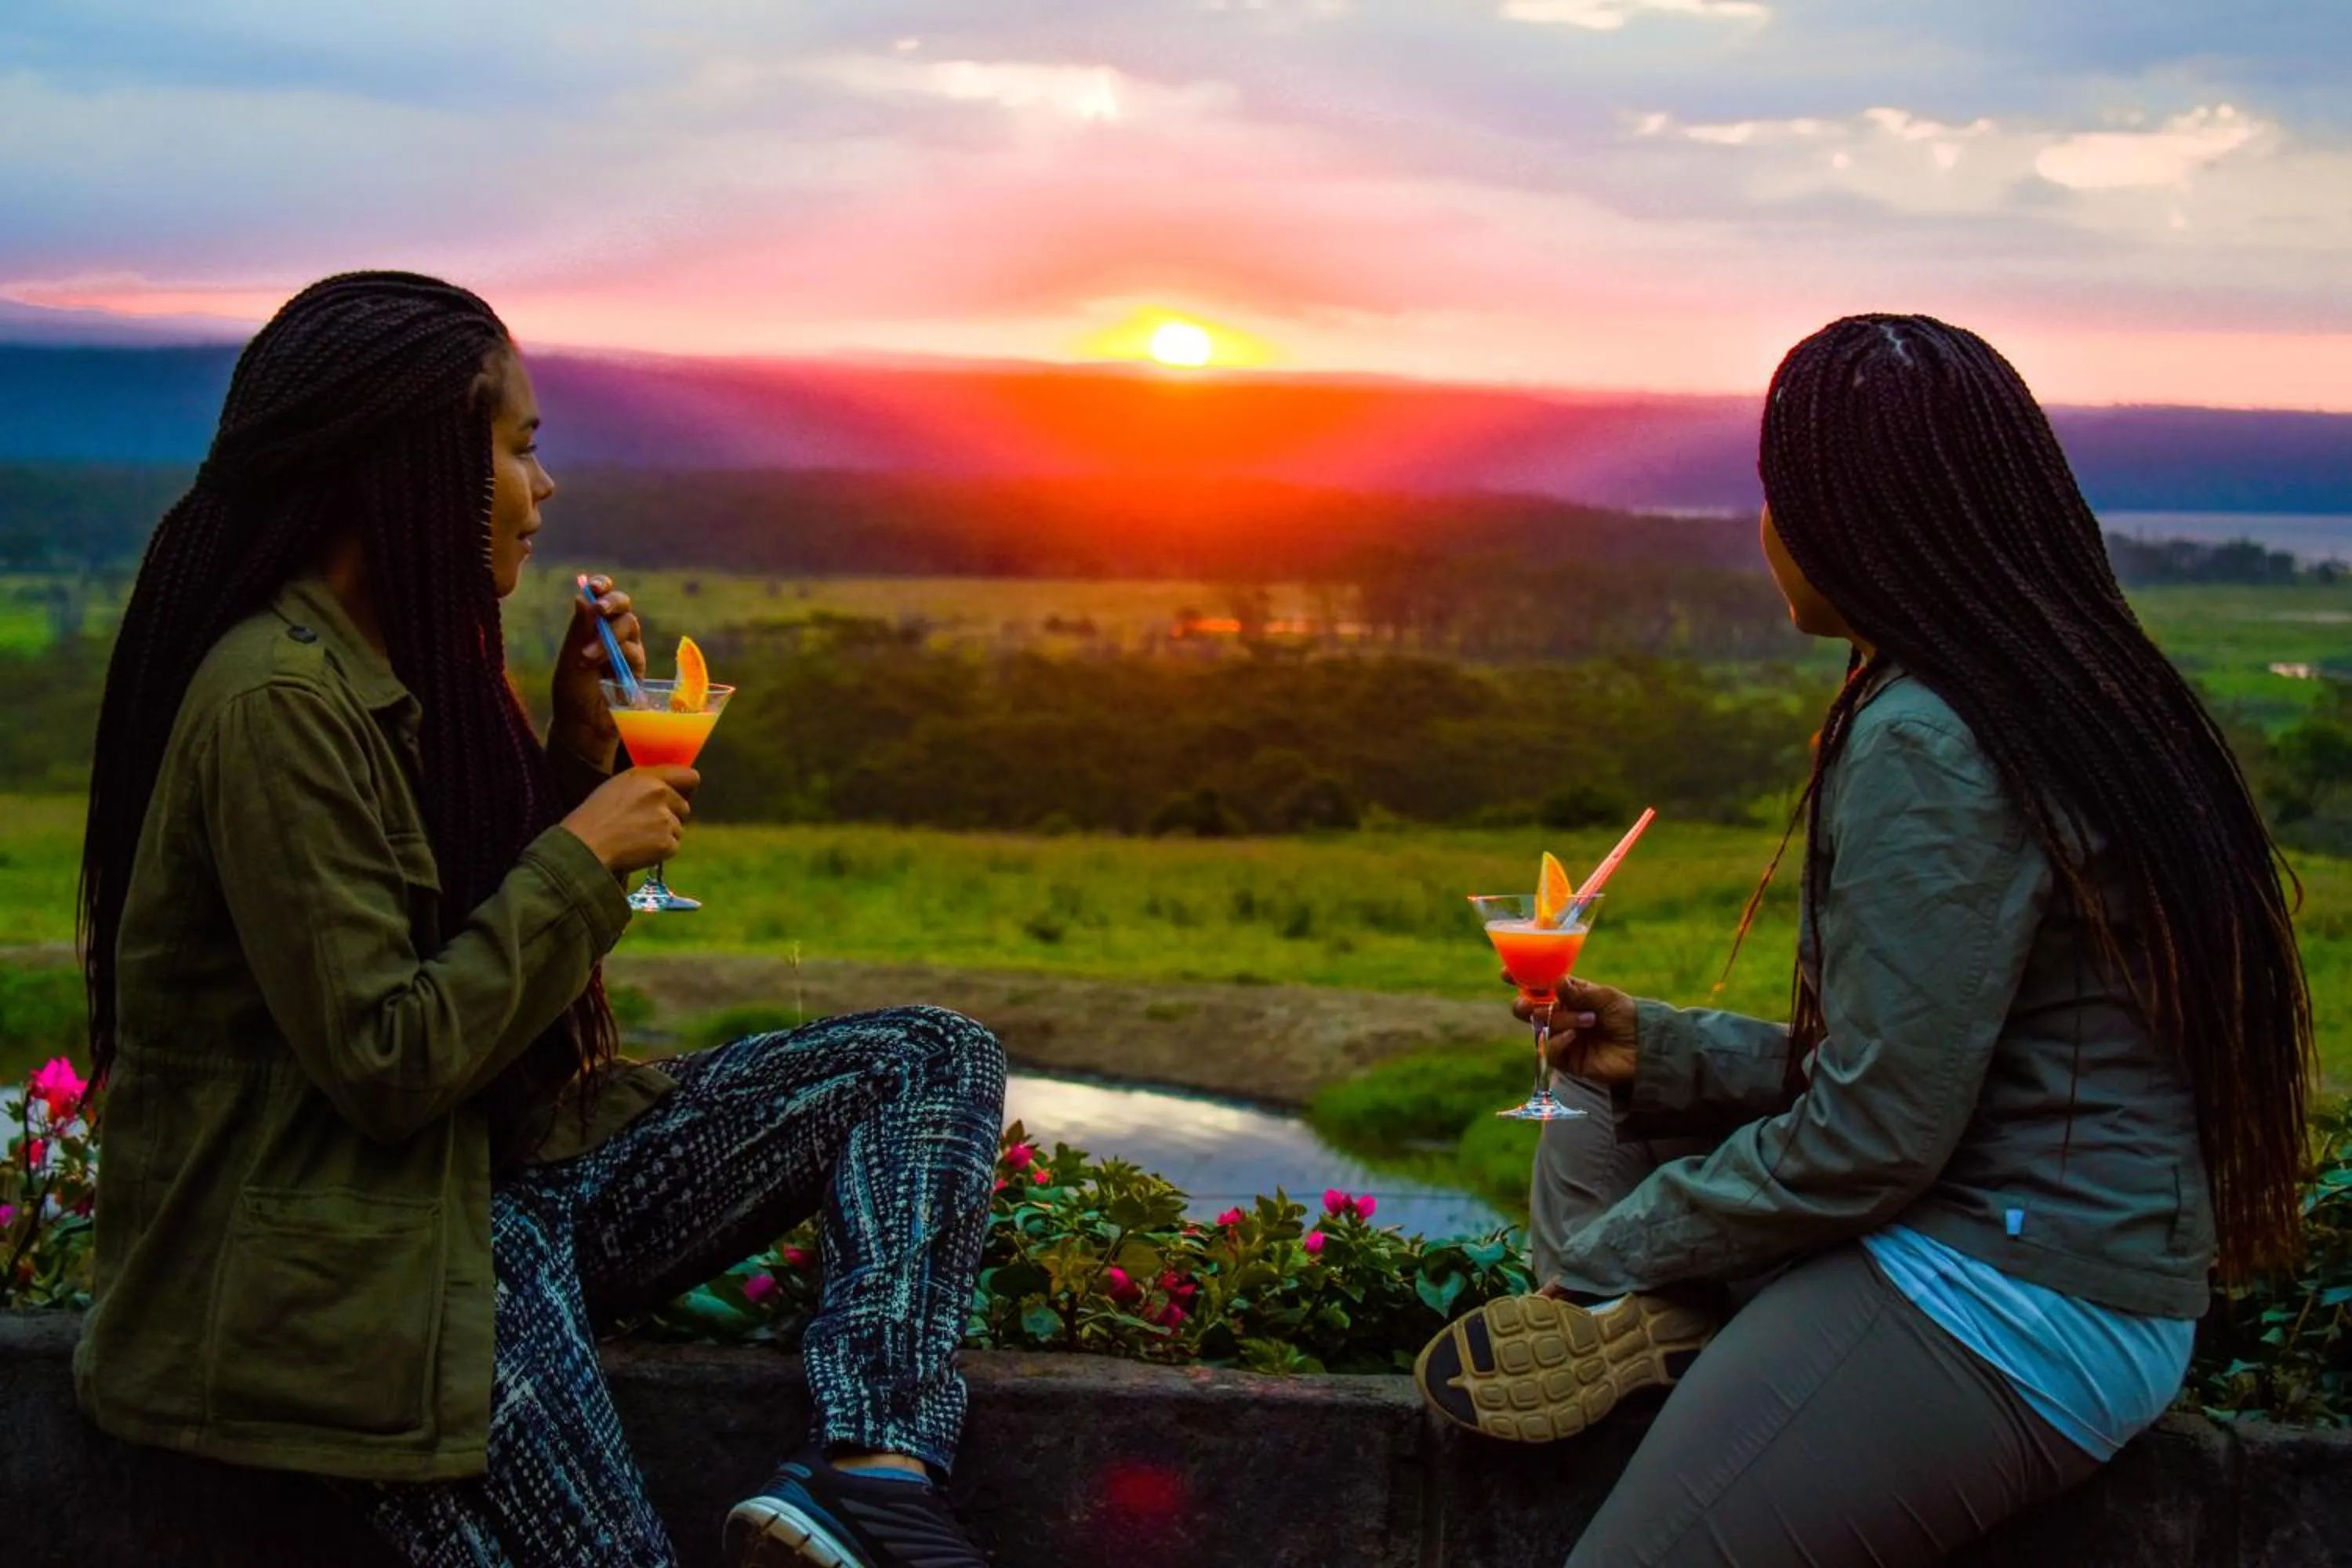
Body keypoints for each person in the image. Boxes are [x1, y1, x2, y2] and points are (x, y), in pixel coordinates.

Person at [73, 272, 1005, 1568]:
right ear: (411, 463)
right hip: (370, 1257)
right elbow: (392, 1062)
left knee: (927, 1062)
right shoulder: (273, 705)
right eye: (521, 449)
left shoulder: (390, 665)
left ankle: (873, 1473)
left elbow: (468, 959)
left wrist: (571, 762)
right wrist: (583, 852)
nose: (543, 487)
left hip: (495, 1180)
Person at [1412, 314, 2315, 1566]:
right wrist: (1670, 1057)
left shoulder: (1929, 734)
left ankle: (1647, 1316)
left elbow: (1877, 1137)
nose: (1766, 529)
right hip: (2057, 1259)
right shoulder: (2070, 687)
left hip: (2006, 1297)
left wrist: (1614, 1256)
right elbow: (1947, 1060)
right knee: (1596, 1097)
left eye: (1781, 497)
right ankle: (1676, 1331)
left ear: (1857, 522)